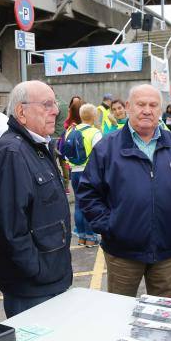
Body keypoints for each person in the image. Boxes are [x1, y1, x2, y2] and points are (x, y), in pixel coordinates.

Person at [78, 85, 171, 299]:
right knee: (119, 312)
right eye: (141, 104)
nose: (147, 110)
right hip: (122, 253)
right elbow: (88, 192)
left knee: (163, 314)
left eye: (153, 105)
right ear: (128, 107)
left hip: (166, 250)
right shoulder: (107, 147)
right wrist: (110, 225)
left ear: (160, 110)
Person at [0, 81, 72, 317]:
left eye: (54, 103)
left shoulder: (36, 146)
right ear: (21, 113)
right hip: (33, 288)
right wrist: (37, 270)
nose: (55, 110)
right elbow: (11, 226)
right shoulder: (13, 152)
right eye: (47, 104)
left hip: (52, 279)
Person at [65, 104, 102, 246]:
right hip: (89, 172)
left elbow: (67, 153)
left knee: (79, 204)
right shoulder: (94, 132)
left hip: (74, 172)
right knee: (91, 204)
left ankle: (81, 237)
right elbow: (100, 154)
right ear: (94, 116)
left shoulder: (71, 131)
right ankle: (91, 238)